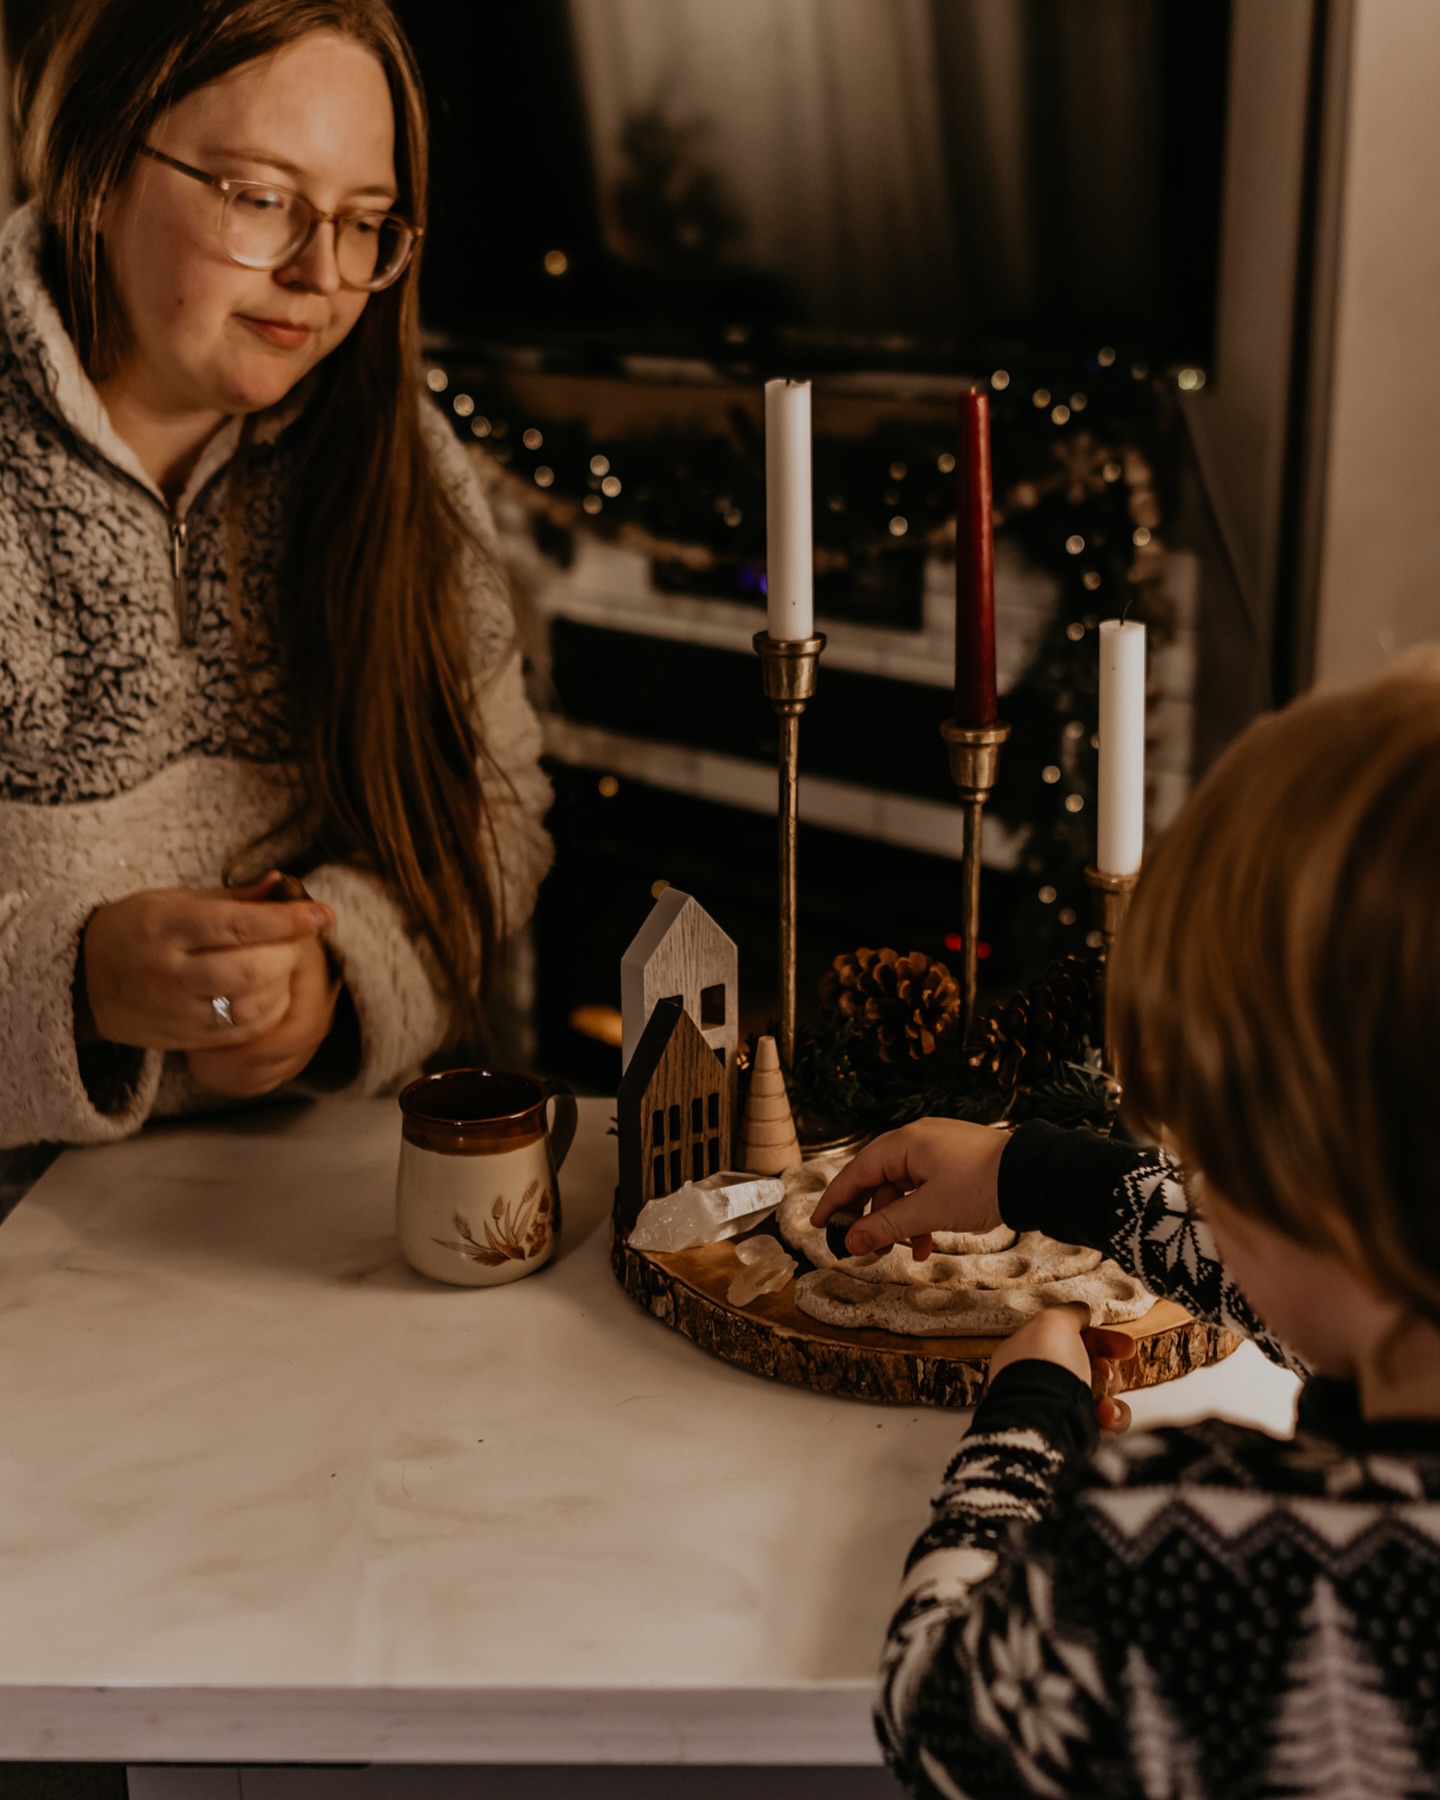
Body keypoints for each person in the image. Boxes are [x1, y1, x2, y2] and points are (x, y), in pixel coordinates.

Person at [813, 660, 1440, 1797]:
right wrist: (1029, 1170)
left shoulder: (1181, 1560)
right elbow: (1330, 1296)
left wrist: (1027, 1427)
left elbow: (937, 1709)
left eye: (1219, 1154)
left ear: (1323, 1193)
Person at [0, 0, 552, 1152]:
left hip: (296, 1206)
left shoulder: (399, 456)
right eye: (259, 198)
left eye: (365, 222)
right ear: (96, 169)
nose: (320, 275)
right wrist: (69, 986)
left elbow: (495, 820)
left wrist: (343, 980)